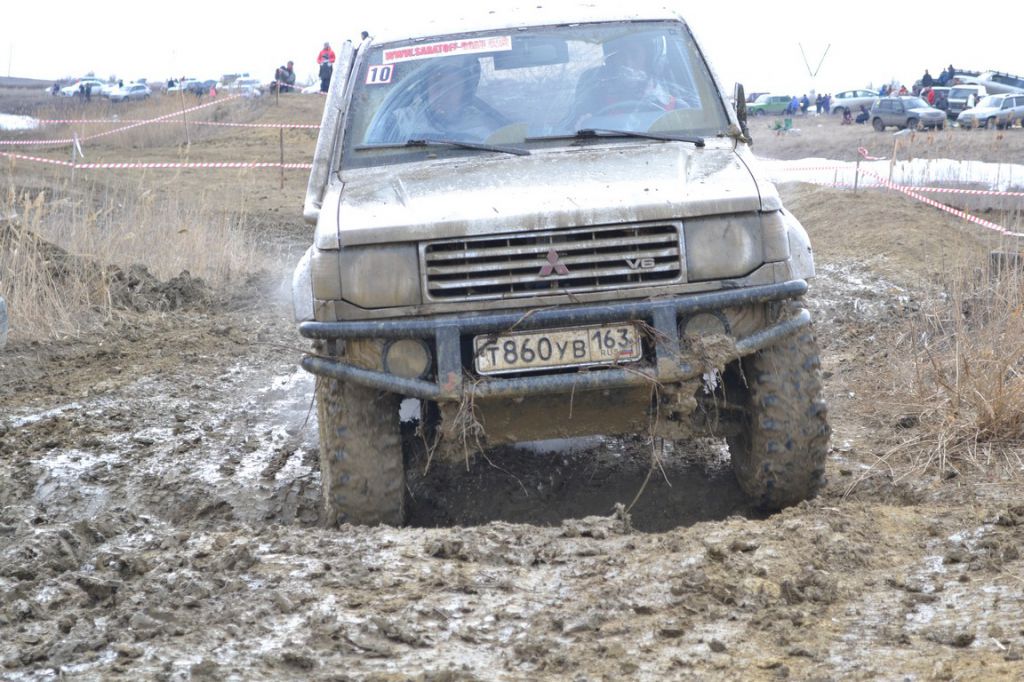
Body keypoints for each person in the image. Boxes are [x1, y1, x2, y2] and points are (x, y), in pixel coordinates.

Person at [376, 56, 508, 143]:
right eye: (437, 85)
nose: (444, 93)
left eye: (452, 86)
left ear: (464, 93)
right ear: (425, 90)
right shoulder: (400, 122)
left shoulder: (484, 126)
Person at [568, 33, 687, 127]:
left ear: (649, 60)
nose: (627, 63)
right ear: (613, 61)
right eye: (621, 55)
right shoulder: (594, 101)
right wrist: (582, 128)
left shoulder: (675, 109)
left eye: (634, 54)